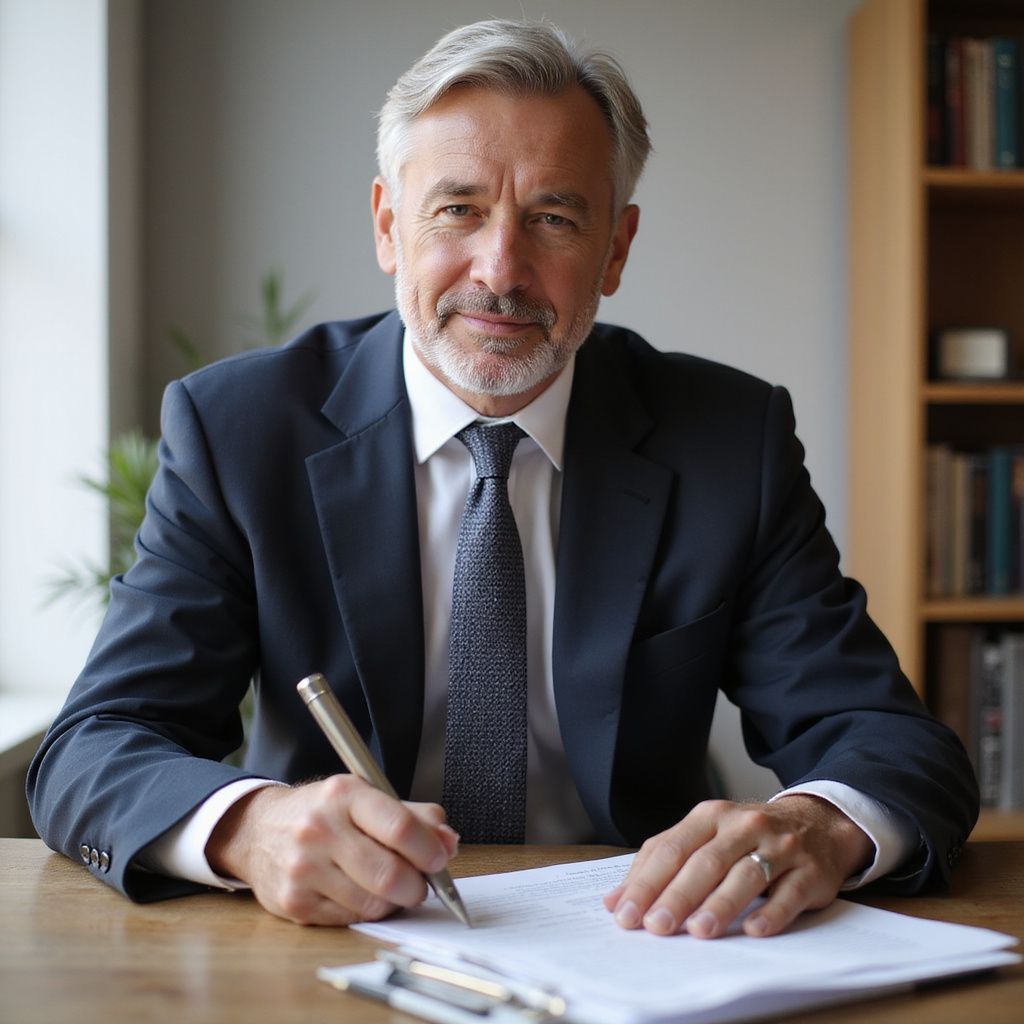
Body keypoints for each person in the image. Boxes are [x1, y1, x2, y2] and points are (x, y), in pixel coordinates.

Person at [28, 19, 977, 941]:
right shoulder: (239, 431)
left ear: (616, 247)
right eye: (458, 209)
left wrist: (817, 824)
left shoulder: (728, 440)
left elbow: (886, 739)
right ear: (388, 225)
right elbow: (95, 746)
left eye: (555, 218)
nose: (502, 269)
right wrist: (249, 830)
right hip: (329, 948)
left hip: (642, 944)